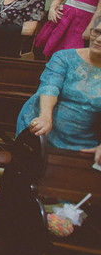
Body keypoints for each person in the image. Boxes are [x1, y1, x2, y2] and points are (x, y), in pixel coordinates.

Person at [17, 27, 101, 165]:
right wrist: (45, 118)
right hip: (43, 127)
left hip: (82, 138)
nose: (99, 39)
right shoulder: (64, 57)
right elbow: (50, 87)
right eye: (97, 32)